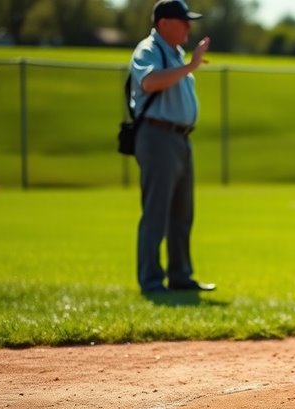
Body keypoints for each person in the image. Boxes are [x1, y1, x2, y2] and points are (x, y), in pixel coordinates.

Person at [129, 0, 215, 294]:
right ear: (164, 23)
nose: (189, 26)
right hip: (157, 136)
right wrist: (191, 65)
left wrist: (187, 63)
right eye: (183, 20)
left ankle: (180, 276)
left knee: (181, 214)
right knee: (156, 213)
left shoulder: (175, 53)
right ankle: (151, 281)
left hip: (180, 139)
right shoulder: (149, 49)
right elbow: (150, 82)